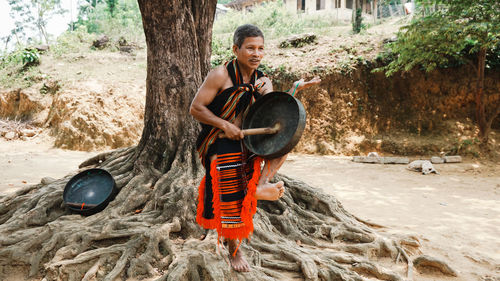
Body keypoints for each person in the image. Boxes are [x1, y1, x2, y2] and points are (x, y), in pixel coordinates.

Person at [190, 24, 320, 272]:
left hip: (249, 141)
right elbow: (196, 108)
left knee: (283, 145)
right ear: (236, 49)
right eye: (250, 48)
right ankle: (234, 251)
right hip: (220, 141)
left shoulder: (262, 80)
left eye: (260, 48)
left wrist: (292, 89)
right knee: (231, 193)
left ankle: (261, 184)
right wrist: (224, 125)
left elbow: (273, 114)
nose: (256, 53)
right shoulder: (220, 75)